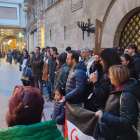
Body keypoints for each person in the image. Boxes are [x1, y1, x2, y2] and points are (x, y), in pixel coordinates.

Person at [95, 65, 140, 140]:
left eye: (111, 75)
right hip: (114, 133)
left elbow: (126, 122)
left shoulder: (126, 95)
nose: (109, 77)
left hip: (121, 136)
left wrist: (104, 116)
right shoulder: (117, 90)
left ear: (117, 77)